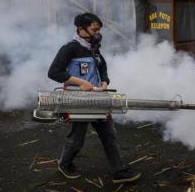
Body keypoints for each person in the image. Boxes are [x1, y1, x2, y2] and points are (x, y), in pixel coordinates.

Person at [48, 12, 141, 183]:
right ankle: (65, 163)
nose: (97, 33)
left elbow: (102, 66)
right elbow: (53, 72)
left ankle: (119, 171)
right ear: (81, 29)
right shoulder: (69, 48)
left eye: (99, 30)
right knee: (77, 139)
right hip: (78, 100)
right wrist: (79, 82)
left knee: (109, 135)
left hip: (98, 97)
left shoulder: (93, 47)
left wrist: (104, 80)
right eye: (94, 29)